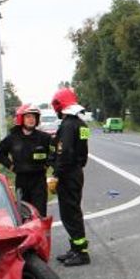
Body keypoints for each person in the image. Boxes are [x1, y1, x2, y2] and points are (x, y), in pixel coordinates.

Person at [51, 87, 90, 266]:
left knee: (70, 214)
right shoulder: (81, 124)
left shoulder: (67, 125)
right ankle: (75, 248)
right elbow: (81, 151)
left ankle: (81, 253)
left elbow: (64, 151)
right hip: (76, 171)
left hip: (67, 174)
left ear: (60, 106)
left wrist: (56, 174)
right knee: (73, 211)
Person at [0, 104, 53, 217]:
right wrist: (11, 166)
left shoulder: (45, 138)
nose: (31, 120)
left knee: (40, 214)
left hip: (39, 181)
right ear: (21, 118)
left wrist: (46, 165)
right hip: (21, 180)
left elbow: (54, 153)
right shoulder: (13, 138)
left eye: (34, 117)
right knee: (23, 214)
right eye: (28, 117)